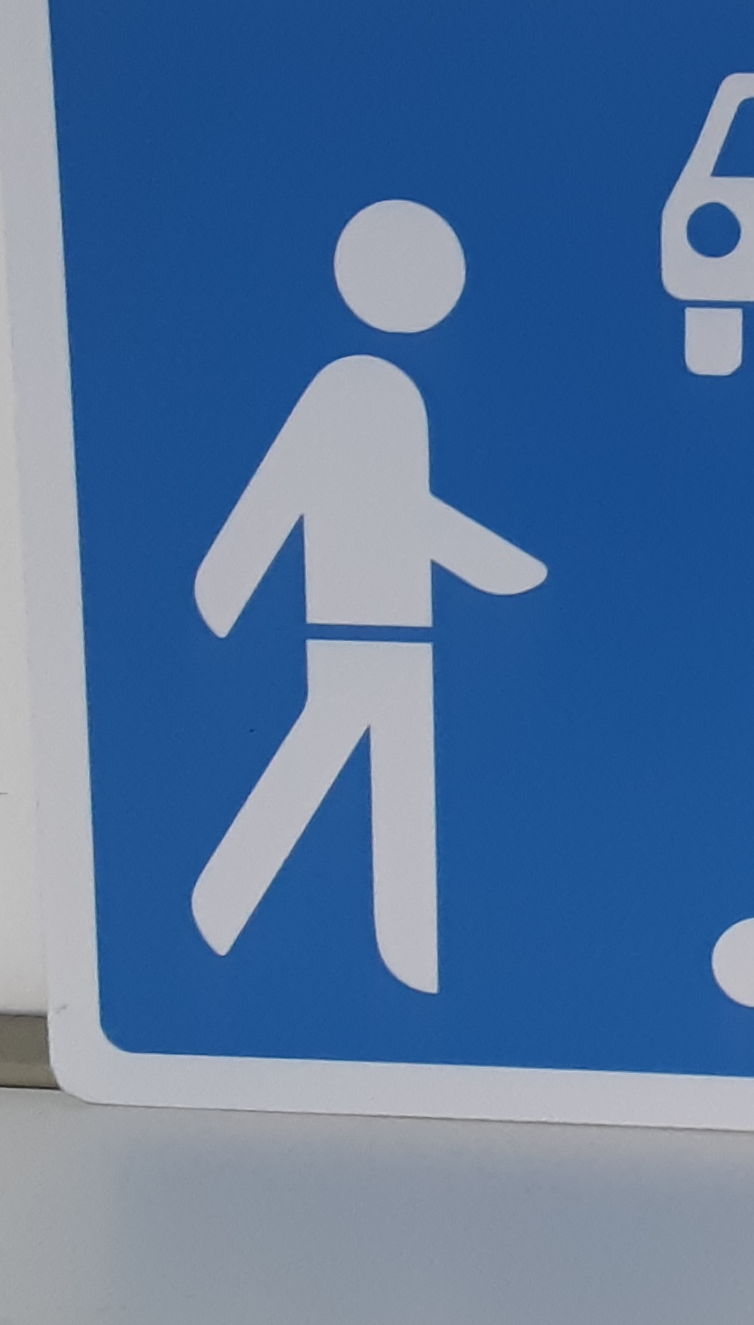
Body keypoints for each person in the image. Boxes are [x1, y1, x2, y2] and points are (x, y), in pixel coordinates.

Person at [188, 201, 544, 989]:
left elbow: (390, 509)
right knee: (334, 752)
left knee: (392, 771)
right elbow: (297, 493)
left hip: (401, 628)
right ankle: (227, 902)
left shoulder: (392, 394)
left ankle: (409, 953)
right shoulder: (359, 390)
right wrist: (225, 586)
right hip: (357, 624)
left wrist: (227, 589)